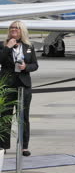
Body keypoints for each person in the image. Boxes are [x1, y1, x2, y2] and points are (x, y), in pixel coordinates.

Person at [0, 21, 38, 156]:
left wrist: (25, 67)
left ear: (22, 31)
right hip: (7, 85)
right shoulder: (3, 45)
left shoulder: (29, 46)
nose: (14, 30)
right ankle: (3, 146)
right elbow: (1, 60)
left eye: (17, 28)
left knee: (23, 116)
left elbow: (35, 65)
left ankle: (24, 146)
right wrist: (8, 48)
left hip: (24, 85)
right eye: (11, 28)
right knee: (5, 116)